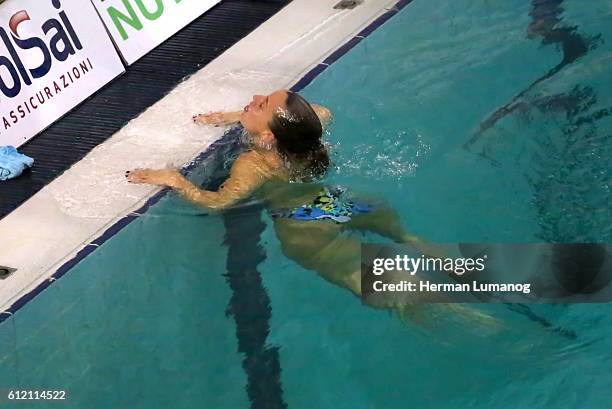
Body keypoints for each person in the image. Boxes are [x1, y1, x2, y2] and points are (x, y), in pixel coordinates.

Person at [127, 90, 481, 321]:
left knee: (396, 296)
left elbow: (218, 202)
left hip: (304, 228)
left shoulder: (253, 164)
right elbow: (322, 111)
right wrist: (246, 114)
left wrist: (176, 180)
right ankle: (446, 267)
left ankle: (462, 320)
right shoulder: (308, 137)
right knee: (406, 236)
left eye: (260, 104)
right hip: (338, 202)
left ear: (268, 138)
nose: (253, 96)